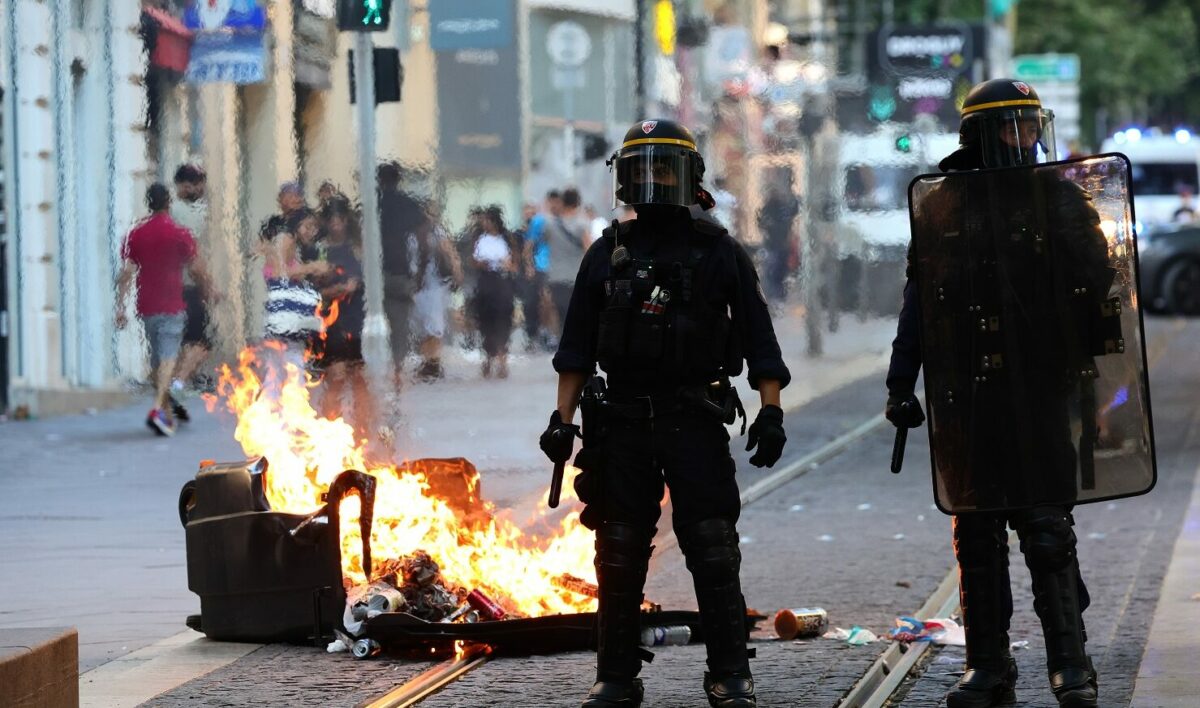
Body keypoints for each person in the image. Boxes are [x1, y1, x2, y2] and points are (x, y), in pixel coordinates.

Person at [540, 119, 790, 708]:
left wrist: (771, 411)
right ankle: (616, 676)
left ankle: (730, 672)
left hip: (693, 418)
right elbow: (575, 350)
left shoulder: (720, 252)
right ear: (624, 178)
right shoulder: (606, 253)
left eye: (664, 168)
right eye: (642, 168)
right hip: (622, 422)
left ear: (689, 178)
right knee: (618, 551)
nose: (653, 180)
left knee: (712, 544)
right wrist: (562, 420)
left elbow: (760, 340)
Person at [885, 80, 1116, 708]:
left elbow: (1100, 288)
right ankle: (987, 667)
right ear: (980, 135)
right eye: (1011, 126)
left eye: (1029, 125)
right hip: (968, 395)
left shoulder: (1058, 198)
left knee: (1047, 528)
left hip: (1038, 389)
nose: (1024, 137)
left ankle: (1071, 664)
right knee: (977, 535)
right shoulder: (943, 205)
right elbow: (919, 302)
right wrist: (900, 383)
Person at [115, 183, 216, 436]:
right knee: (169, 358)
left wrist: (120, 307)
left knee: (157, 361)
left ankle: (166, 415)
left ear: (148, 203)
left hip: (146, 306)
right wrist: (208, 289)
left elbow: (126, 273)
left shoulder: (135, 234)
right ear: (169, 203)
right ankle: (158, 409)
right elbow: (196, 268)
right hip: (172, 303)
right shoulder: (179, 233)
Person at [317, 197, 377, 438]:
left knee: (360, 378)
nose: (336, 223)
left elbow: (372, 281)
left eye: (340, 218)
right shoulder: (320, 250)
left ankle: (363, 429)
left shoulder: (358, 248)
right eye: (331, 219)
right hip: (332, 322)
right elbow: (314, 289)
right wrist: (339, 290)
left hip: (358, 319)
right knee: (336, 377)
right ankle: (329, 429)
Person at [378, 161, 431, 386]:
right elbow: (424, 241)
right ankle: (397, 369)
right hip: (401, 273)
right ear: (399, 179)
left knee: (369, 321)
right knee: (399, 325)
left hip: (374, 274)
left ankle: (373, 369)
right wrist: (420, 273)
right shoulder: (410, 205)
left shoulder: (372, 204)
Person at [168, 164, 212, 416]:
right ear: (186, 185)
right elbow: (193, 257)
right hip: (189, 285)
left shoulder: (173, 211)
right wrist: (208, 285)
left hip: (173, 285)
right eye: (196, 184)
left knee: (186, 341)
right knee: (202, 343)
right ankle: (178, 384)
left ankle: (176, 387)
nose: (199, 189)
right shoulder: (186, 213)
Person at [412, 201, 463, 382]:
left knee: (434, 326)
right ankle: (429, 361)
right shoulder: (412, 232)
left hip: (434, 285)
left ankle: (432, 364)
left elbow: (450, 252)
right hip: (418, 286)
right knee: (422, 326)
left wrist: (457, 271)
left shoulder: (436, 231)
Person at [470, 205, 517, 379]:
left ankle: (503, 359)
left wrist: (506, 264)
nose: (485, 223)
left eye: (487, 220)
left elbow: (514, 264)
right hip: (486, 282)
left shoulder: (507, 239)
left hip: (502, 283)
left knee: (503, 321)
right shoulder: (480, 239)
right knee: (486, 321)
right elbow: (474, 261)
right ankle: (488, 359)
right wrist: (484, 263)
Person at [545, 187, 590, 336]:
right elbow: (589, 250)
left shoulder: (550, 224)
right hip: (575, 278)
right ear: (577, 203)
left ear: (562, 202)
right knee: (576, 314)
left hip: (556, 277)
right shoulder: (582, 224)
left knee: (560, 314)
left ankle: (561, 341)